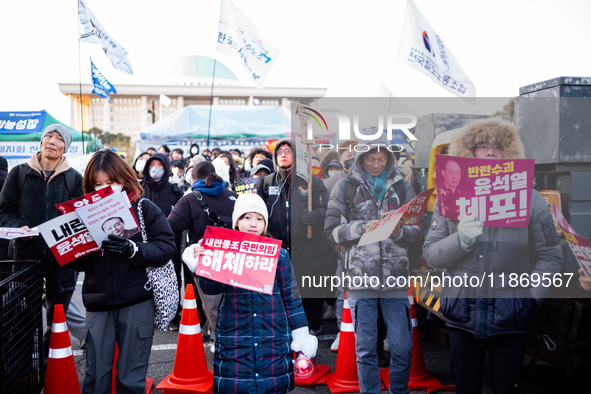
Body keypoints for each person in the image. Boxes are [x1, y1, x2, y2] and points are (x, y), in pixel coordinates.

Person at [422, 118, 563, 394]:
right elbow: (432, 255)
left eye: (497, 147)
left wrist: (530, 296)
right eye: (481, 146)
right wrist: (459, 240)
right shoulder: (448, 198)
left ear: (508, 154)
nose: (489, 152)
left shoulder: (530, 198)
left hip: (510, 318)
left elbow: (551, 255)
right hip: (462, 315)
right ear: (468, 152)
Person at [182, 193, 318, 394]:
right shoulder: (225, 250)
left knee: (272, 386)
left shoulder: (280, 254)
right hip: (235, 334)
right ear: (236, 221)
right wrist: (205, 263)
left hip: (272, 333)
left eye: (259, 218)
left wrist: (301, 333)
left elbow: (291, 296)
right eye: (247, 217)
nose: (253, 223)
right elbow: (211, 290)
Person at [324, 130, 424, 394]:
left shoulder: (403, 185)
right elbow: (331, 231)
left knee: (402, 346)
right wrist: (362, 228)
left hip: (395, 280)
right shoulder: (345, 186)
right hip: (360, 278)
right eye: (371, 159)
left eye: (382, 159)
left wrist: (400, 232)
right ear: (361, 158)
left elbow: (419, 230)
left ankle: (398, 391)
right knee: (366, 348)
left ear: (390, 159)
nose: (376, 164)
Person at [69, 149, 176, 393]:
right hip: (98, 303)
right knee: (96, 376)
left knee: (131, 377)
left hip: (137, 301)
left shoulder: (143, 208)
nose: (104, 189)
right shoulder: (83, 217)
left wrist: (135, 250)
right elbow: (76, 263)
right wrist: (80, 247)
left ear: (124, 179)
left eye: (111, 182)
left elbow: (167, 246)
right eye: (97, 184)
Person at [0, 124, 84, 365]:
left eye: (59, 139)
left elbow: (81, 216)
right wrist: (19, 227)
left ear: (65, 147)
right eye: (49, 136)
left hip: (62, 261)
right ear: (41, 141)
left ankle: (51, 369)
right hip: (26, 258)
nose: (52, 141)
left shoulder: (74, 178)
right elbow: (4, 210)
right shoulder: (18, 173)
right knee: (23, 316)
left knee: (57, 318)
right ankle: (24, 369)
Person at [254, 138, 334, 336]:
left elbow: (327, 210)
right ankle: (280, 327)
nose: (283, 154)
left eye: (288, 151)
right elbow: (256, 212)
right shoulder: (265, 183)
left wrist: (316, 215)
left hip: (307, 247)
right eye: (279, 151)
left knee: (307, 291)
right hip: (276, 249)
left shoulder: (312, 182)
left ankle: (312, 326)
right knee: (278, 291)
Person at [168, 161, 238, 332]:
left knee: (203, 301)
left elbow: (170, 226)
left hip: (202, 261)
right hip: (233, 260)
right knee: (231, 301)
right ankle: (226, 337)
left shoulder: (189, 199)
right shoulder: (234, 196)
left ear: (192, 179)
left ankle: (201, 331)